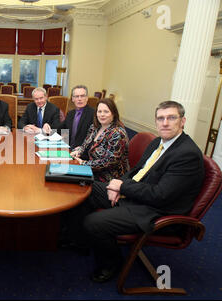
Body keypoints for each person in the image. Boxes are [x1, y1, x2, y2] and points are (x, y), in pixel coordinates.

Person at [66, 101, 204, 283]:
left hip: (154, 211)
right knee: (83, 186)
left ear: (183, 121)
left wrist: (122, 187)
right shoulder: (158, 142)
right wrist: (117, 184)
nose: (165, 123)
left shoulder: (187, 154)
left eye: (171, 118)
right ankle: (80, 240)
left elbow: (160, 195)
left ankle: (112, 264)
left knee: (94, 222)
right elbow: (136, 171)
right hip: (136, 196)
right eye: (160, 118)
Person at [70, 98, 129, 182]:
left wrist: (83, 163)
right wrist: (79, 151)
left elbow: (108, 162)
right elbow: (85, 145)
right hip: (91, 169)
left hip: (108, 178)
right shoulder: (94, 127)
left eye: (106, 111)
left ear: (113, 113)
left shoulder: (118, 133)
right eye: (99, 111)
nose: (102, 114)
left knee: (72, 181)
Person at [60, 85, 95, 149]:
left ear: (87, 98)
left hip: (83, 153)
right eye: (76, 96)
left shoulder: (93, 114)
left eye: (82, 96)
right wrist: (44, 130)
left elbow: (94, 138)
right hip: (68, 150)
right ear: (73, 99)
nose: (79, 99)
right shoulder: (70, 114)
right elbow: (62, 130)